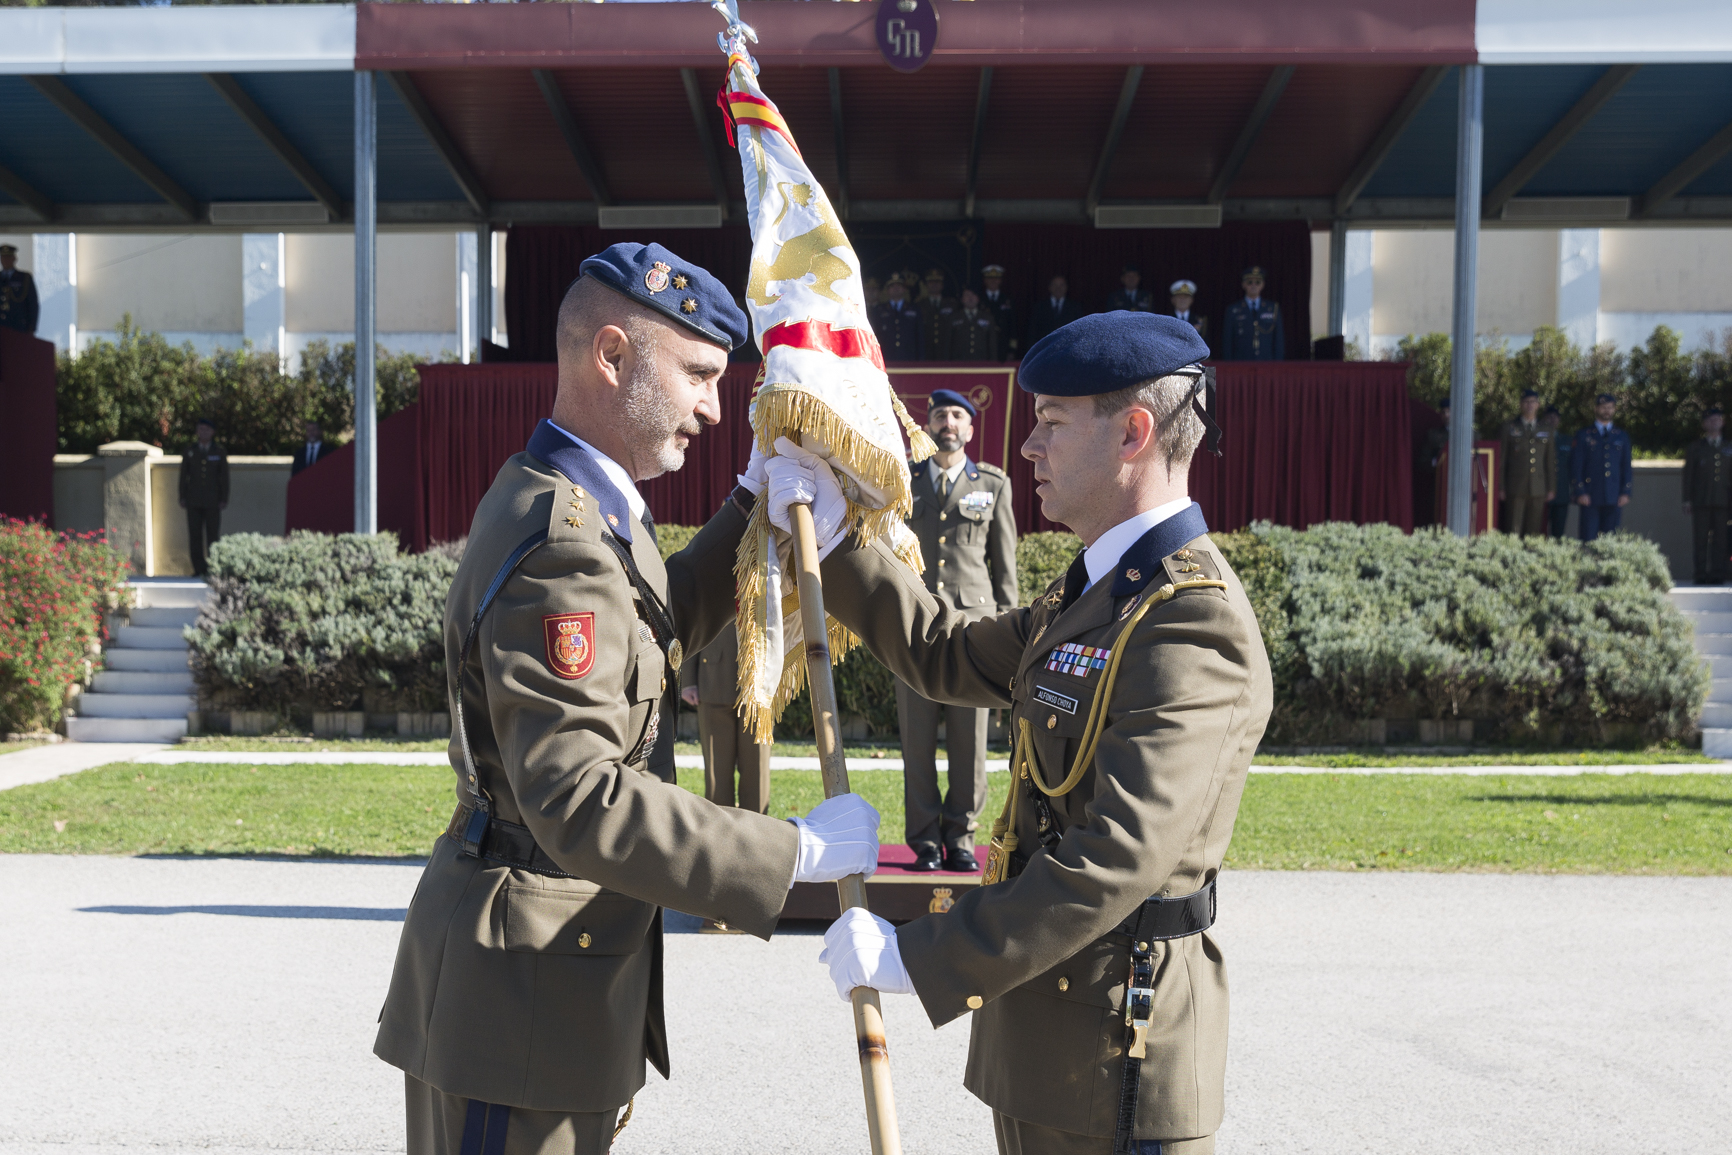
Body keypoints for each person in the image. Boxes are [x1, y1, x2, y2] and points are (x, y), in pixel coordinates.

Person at [373, 241, 880, 1155]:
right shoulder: (565, 536)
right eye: (696, 375)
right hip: (519, 1005)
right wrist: (792, 850)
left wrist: (748, 502)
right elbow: (577, 795)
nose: (714, 407)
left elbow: (653, 626)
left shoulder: (573, 496)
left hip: (539, 996)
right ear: (611, 356)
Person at [788, 312, 1272, 1155]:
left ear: (1133, 432)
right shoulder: (1097, 591)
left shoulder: (1190, 620)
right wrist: (831, 532)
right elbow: (944, 652)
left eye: (1051, 420)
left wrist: (919, 956)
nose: (1027, 447)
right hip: (1046, 1043)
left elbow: (1115, 857)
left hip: (1117, 1055)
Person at [896, 388, 1018, 873]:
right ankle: (925, 840)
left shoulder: (993, 484)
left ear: (971, 428)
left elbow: (1003, 566)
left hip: (975, 631)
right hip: (916, 628)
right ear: (928, 424)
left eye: (958, 415)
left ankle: (961, 837)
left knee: (970, 741)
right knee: (917, 740)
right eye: (941, 414)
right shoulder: (904, 478)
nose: (949, 422)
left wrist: (1011, 631)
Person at [1572, 392, 1634, 542]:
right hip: (1590, 495)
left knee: (1610, 540)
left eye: (1610, 407)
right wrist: (1580, 491)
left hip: (1613, 496)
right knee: (1588, 539)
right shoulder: (1583, 435)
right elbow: (1576, 465)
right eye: (1603, 407)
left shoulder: (1621, 436)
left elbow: (1626, 466)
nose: (1607, 410)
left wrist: (1625, 491)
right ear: (1596, 409)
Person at [1682, 407, 1732, 584]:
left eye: (1718, 419)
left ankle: (1718, 573)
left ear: (1723, 422)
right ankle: (1701, 574)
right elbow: (1688, 476)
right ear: (1704, 424)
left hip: (1723, 501)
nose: (1715, 422)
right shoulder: (1696, 448)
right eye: (1710, 420)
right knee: (1701, 539)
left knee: (1721, 539)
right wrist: (1687, 500)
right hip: (1701, 500)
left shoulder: (1729, 447)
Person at [1498, 389, 1555, 537]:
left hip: (1538, 487)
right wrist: (1501, 487)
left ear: (1538, 405)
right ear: (1520, 405)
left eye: (1533, 402)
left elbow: (1549, 461)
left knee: (1533, 530)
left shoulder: (1546, 429)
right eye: (1526, 402)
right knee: (1513, 529)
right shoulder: (1509, 428)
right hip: (1515, 486)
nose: (1530, 405)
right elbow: (1502, 460)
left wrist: (1551, 488)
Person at [179, 418, 228, 578]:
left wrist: (223, 498)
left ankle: (213, 568)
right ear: (197, 431)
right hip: (193, 501)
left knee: (213, 536)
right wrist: (182, 496)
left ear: (212, 432)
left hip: (213, 501)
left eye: (207, 429)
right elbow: (183, 476)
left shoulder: (219, 452)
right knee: (195, 536)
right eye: (201, 429)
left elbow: (224, 477)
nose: (204, 432)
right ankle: (199, 568)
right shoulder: (190, 451)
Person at [1219, 265, 1284, 361]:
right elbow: (1227, 342)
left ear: (1262, 285)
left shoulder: (1272, 308)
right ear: (1243, 285)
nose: (1253, 285)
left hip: (1266, 362)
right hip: (1241, 363)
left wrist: (1278, 364)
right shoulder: (1233, 310)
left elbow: (1279, 340)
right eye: (1249, 282)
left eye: (1257, 282)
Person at [870, 274, 922, 363]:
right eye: (892, 286)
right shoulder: (878, 311)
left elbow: (919, 337)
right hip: (885, 357)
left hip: (909, 357)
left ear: (904, 289)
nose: (896, 288)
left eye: (899, 286)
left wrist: (920, 360)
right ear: (887, 290)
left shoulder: (914, 309)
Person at [1026, 275, 1084, 349]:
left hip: (1068, 350)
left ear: (1066, 287)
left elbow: (1080, 331)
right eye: (1055, 285)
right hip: (1044, 350)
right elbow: (1032, 332)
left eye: (1061, 285)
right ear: (1049, 287)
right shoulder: (1040, 307)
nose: (1058, 288)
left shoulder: (1075, 307)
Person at [943, 287, 1000, 361]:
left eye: (973, 295)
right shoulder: (953, 318)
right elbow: (947, 344)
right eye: (967, 295)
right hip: (959, 362)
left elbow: (992, 344)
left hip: (981, 362)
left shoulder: (987, 318)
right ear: (962, 299)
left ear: (978, 298)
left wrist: (993, 362)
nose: (970, 298)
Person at [1542, 406, 1572, 539]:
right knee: (1539, 532)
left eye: (1555, 417)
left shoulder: (1567, 441)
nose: (1552, 420)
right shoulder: (1538, 439)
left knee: (1558, 533)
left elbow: (1572, 467)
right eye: (1549, 417)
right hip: (1541, 492)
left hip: (1561, 494)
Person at [917, 267, 958, 361]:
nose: (934, 285)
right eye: (931, 282)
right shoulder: (920, 304)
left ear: (942, 285)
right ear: (926, 285)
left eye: (937, 282)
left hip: (946, 349)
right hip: (926, 349)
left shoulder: (952, 304)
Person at [980, 263, 1018, 361]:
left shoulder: (1007, 300)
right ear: (985, 280)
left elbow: (1013, 327)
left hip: (1002, 346)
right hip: (982, 346)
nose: (993, 281)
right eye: (990, 278)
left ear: (1000, 280)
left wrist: (1012, 350)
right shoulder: (979, 300)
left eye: (996, 278)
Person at [0, 243, 39, 334]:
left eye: (8, 257)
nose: (6, 260)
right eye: (3, 257)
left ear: (14, 259)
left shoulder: (24, 278)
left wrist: (31, 328)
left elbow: (33, 304)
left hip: (19, 327)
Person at [1168, 279, 1208, 344]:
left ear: (1191, 300)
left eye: (1186, 297)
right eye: (1179, 297)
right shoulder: (1166, 318)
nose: (1183, 300)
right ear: (1173, 300)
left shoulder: (1200, 320)